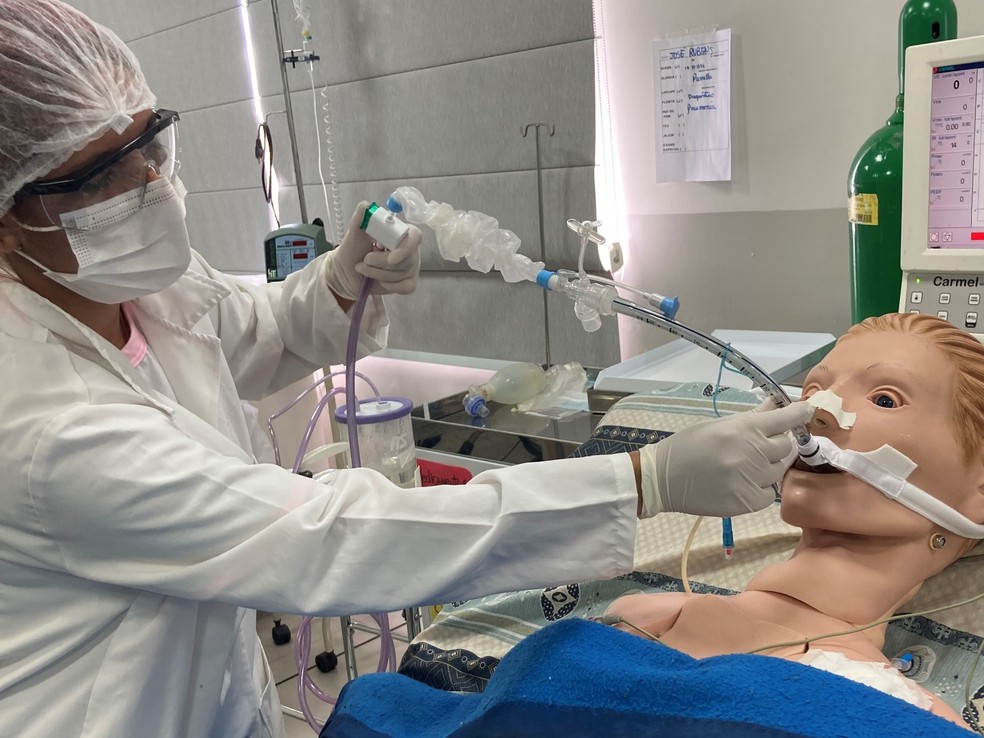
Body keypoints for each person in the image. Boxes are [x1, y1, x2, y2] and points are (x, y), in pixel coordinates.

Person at [0, 2, 813, 737]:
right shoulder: (40, 423)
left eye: (151, 143)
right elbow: (328, 538)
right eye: (101, 177)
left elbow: (254, 329)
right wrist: (641, 481)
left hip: (218, 695)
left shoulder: (137, 281)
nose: (151, 186)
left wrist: (338, 281)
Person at [606, 312, 984, 729]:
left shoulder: (902, 716)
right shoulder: (639, 615)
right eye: (814, 390)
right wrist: (649, 477)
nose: (813, 412)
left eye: (884, 399)